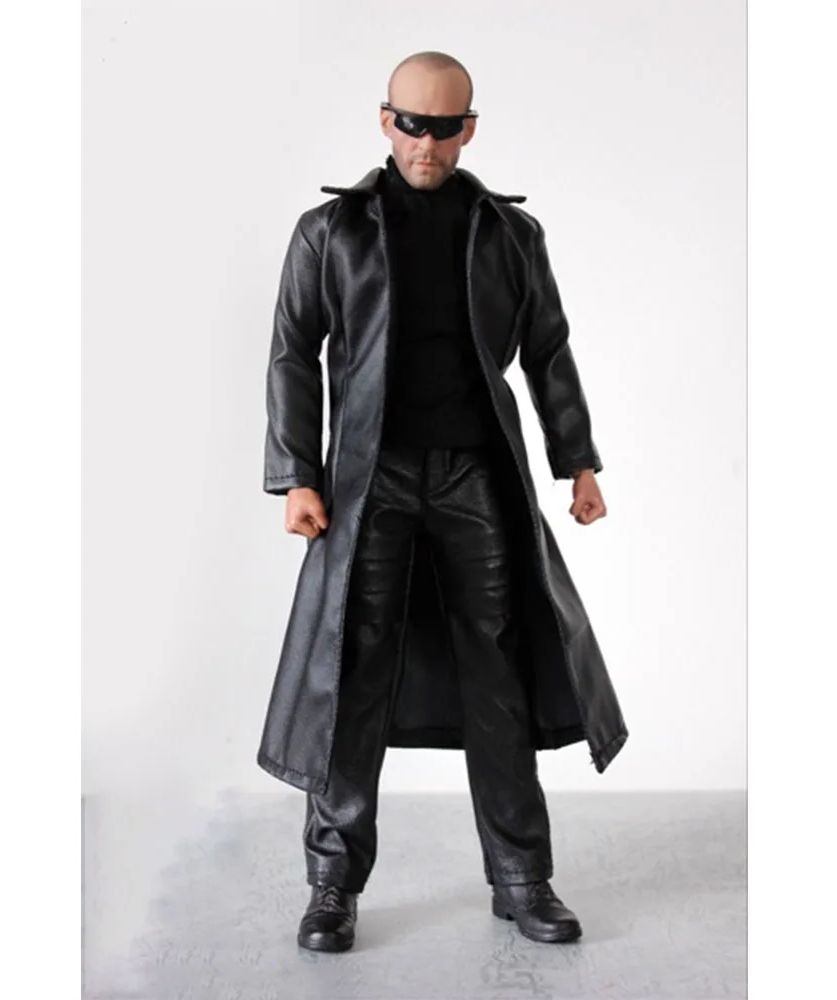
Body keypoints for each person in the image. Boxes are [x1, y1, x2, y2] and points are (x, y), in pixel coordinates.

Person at [260, 50, 628, 953]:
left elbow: (548, 349)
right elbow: (292, 351)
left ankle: (521, 878)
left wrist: (578, 462)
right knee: (351, 675)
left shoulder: (509, 234)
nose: (425, 143)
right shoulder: (330, 232)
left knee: (497, 675)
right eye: (410, 124)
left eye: (443, 127)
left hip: (475, 475)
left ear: (469, 129)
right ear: (385, 120)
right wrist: (297, 473)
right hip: (369, 479)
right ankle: (332, 885)